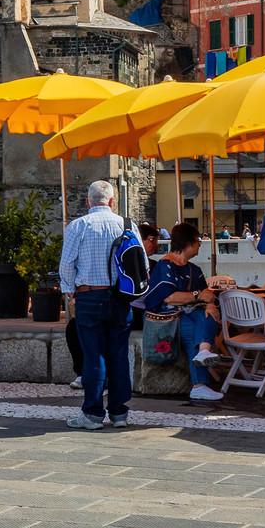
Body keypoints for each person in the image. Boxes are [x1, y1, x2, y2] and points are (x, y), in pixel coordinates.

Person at [59, 178, 139, 429]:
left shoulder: (78, 226)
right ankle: (119, 414)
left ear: (87, 201)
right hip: (120, 296)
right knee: (118, 354)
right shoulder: (127, 225)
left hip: (89, 295)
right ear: (112, 201)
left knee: (93, 356)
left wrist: (71, 291)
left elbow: (66, 264)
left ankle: (93, 414)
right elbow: (141, 264)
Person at [143, 225, 223, 403]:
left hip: (190, 314)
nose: (200, 244)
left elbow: (207, 294)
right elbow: (169, 298)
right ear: (188, 242)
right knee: (196, 329)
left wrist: (210, 303)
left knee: (208, 315)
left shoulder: (195, 270)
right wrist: (198, 296)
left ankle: (203, 355)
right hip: (167, 318)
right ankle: (199, 384)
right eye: (198, 240)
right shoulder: (165, 266)